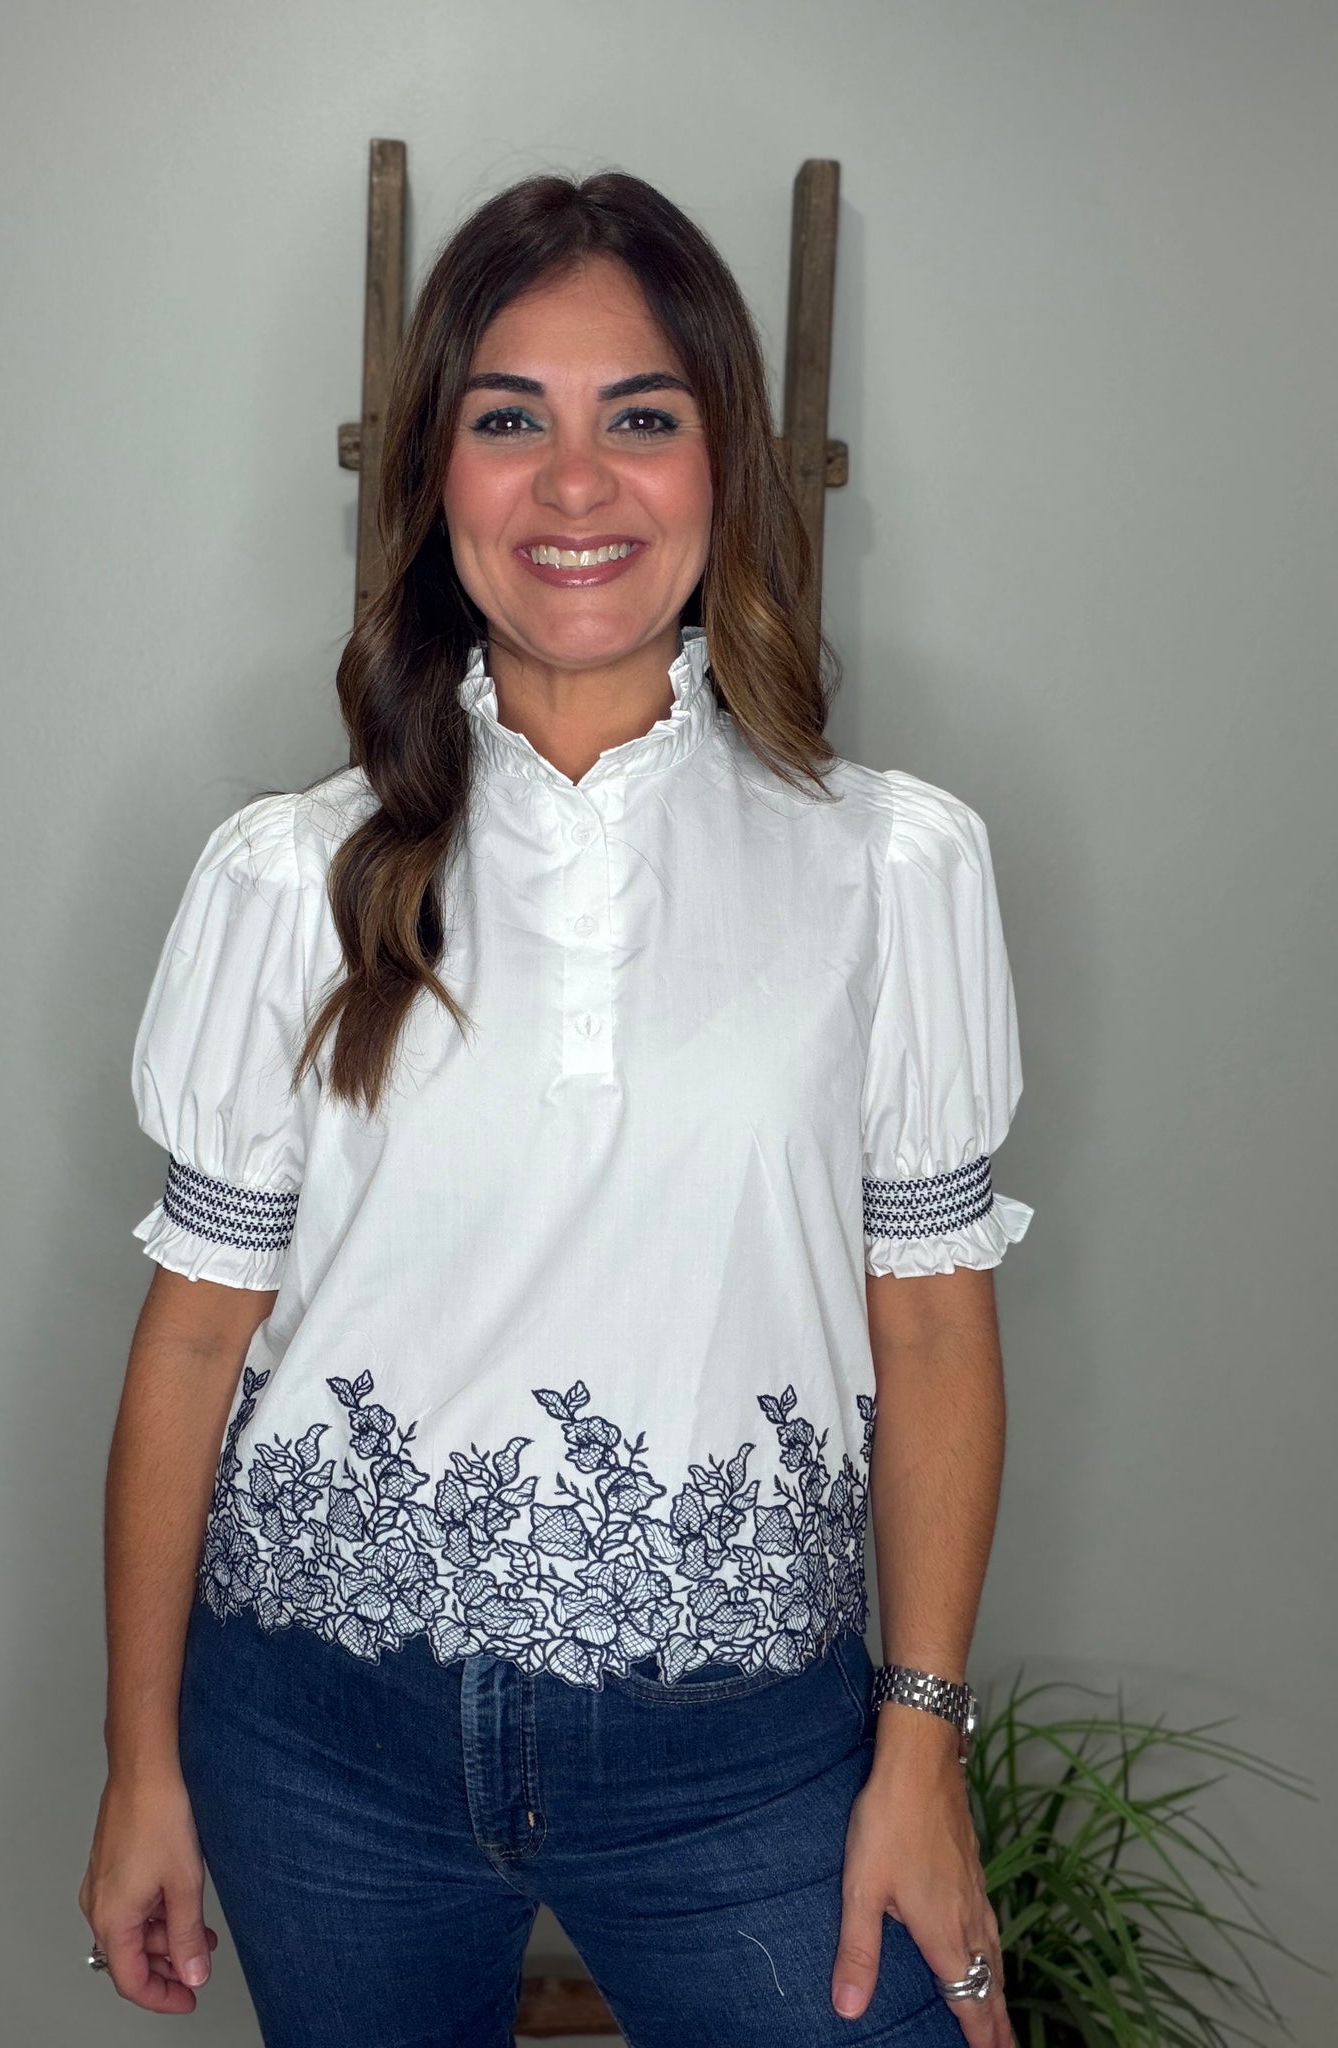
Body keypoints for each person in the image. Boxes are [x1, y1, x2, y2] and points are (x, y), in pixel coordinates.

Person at [79, 169, 1033, 2048]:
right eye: (510, 420)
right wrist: (142, 1763)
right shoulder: (288, 878)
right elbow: (191, 1342)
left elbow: (932, 1328)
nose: (575, 485)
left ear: (724, 466)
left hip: (742, 1754)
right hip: (314, 1739)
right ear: (436, 479)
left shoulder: (892, 869)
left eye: (642, 420)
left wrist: (919, 1749)